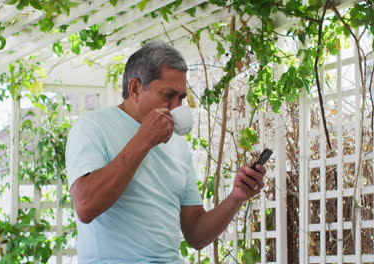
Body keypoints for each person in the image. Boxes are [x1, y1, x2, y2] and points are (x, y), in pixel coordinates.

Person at [65, 41, 266, 263]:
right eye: (167, 95)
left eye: (180, 98)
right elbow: (85, 206)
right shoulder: (92, 126)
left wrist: (237, 197)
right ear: (135, 89)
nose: (175, 107)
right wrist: (143, 139)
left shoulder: (178, 145)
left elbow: (196, 235)